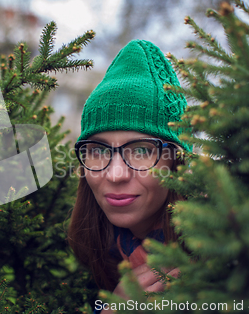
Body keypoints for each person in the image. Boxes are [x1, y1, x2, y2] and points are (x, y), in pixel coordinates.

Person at [67, 40, 192, 313]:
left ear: (177, 161)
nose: (115, 174)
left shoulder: (226, 257)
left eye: (141, 150)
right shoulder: (96, 249)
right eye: (98, 150)